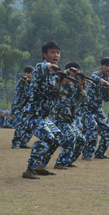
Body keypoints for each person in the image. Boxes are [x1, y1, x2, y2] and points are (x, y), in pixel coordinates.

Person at [21, 41, 64, 179]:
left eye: (57, 52)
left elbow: (56, 98)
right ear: (45, 55)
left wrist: (61, 84)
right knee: (47, 137)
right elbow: (42, 66)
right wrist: (49, 66)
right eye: (52, 52)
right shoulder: (41, 68)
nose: (56, 55)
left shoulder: (54, 77)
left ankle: (40, 167)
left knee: (57, 137)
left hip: (43, 117)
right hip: (32, 115)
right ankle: (29, 170)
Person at [80, 57, 109, 160]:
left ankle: (100, 153)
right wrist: (102, 81)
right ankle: (87, 155)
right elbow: (93, 77)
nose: (108, 68)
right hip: (87, 109)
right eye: (106, 65)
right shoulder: (96, 75)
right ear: (102, 66)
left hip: (98, 110)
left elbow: (107, 99)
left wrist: (108, 90)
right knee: (92, 130)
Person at [53, 61, 87, 169]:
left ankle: (68, 161)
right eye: (74, 71)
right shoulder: (61, 80)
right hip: (60, 117)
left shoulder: (74, 86)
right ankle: (60, 162)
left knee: (81, 140)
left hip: (70, 119)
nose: (76, 74)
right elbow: (57, 88)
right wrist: (66, 73)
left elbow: (81, 100)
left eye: (78, 72)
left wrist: (81, 87)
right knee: (70, 136)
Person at [11, 66, 34, 149]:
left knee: (30, 125)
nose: (31, 75)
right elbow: (21, 88)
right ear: (25, 73)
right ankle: (15, 143)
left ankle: (23, 143)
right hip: (17, 107)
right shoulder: (21, 81)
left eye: (32, 73)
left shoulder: (32, 83)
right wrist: (24, 81)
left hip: (26, 108)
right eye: (29, 73)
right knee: (21, 124)